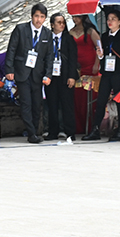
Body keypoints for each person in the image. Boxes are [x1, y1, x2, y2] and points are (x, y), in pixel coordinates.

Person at [5, 3, 54, 143]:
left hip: (38, 75)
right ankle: (32, 133)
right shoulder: (21, 29)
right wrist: (9, 70)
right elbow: (12, 50)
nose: (39, 20)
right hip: (22, 72)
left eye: (42, 17)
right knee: (26, 102)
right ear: (32, 16)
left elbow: (50, 56)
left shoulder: (47, 33)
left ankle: (34, 130)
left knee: (37, 103)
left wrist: (48, 74)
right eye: (36, 16)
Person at [82, 8, 120, 141]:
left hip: (119, 73)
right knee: (101, 101)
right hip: (106, 72)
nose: (110, 22)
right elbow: (104, 56)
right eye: (108, 19)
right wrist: (101, 55)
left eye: (113, 19)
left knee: (119, 101)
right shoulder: (104, 36)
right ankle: (96, 129)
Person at [44, 13, 77, 142]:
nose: (61, 25)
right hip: (51, 75)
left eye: (63, 22)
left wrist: (72, 76)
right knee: (52, 104)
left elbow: (73, 59)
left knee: (67, 104)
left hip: (65, 75)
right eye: (58, 22)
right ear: (52, 25)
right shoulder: (47, 38)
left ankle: (70, 131)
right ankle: (53, 131)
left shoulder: (69, 39)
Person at [69, 14, 101, 135]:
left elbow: (99, 47)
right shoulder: (71, 32)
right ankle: (79, 126)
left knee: (90, 96)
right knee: (77, 98)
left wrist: (96, 64)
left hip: (90, 67)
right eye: (73, 17)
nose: (74, 19)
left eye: (77, 17)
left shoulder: (90, 31)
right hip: (77, 69)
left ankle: (91, 126)